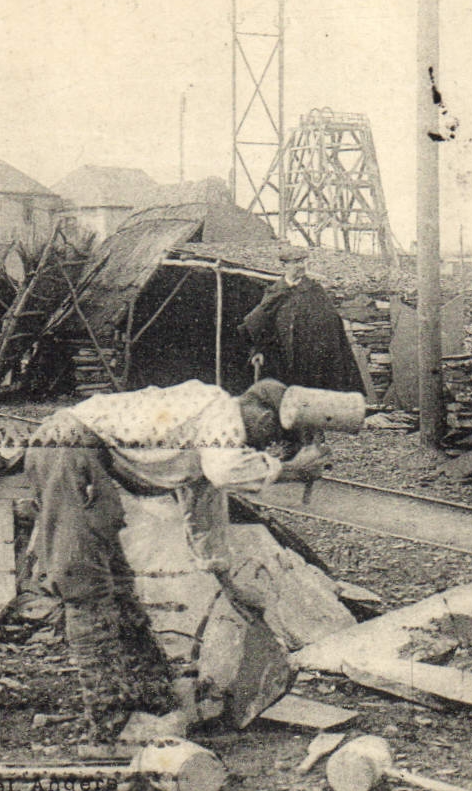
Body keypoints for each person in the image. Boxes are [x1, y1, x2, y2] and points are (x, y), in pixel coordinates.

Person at [23, 377, 328, 738]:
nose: (261, 446)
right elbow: (227, 471)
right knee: (86, 587)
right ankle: (111, 723)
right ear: (263, 416)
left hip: (82, 454)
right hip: (68, 447)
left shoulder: (209, 440)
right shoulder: (220, 408)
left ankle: (152, 697)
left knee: (118, 587)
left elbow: (205, 521)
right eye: (268, 438)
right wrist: (292, 471)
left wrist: (230, 588)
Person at [239, 246, 365, 396]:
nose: (301, 266)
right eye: (296, 262)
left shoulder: (315, 290)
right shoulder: (275, 292)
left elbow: (332, 324)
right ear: (284, 265)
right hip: (282, 360)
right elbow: (259, 325)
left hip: (311, 359)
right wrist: (257, 350)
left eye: (303, 261)